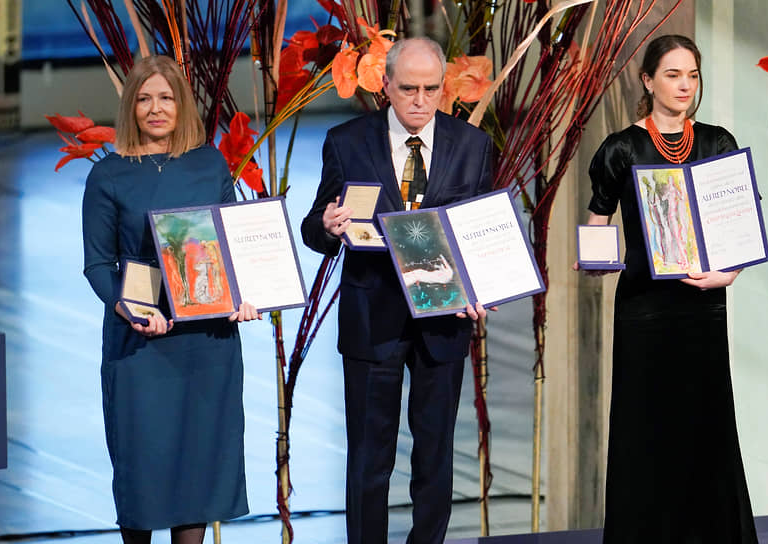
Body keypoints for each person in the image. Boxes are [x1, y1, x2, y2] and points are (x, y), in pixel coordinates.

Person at [301, 37, 493, 544]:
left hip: (444, 319)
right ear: (385, 85)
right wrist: (327, 225)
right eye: (408, 88)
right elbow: (315, 227)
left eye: (431, 89)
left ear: (444, 88)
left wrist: (485, 286)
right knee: (369, 457)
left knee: (435, 456)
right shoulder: (346, 142)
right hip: (373, 316)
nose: (420, 101)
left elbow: (483, 232)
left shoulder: (472, 146)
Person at [580, 35, 759, 542]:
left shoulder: (717, 142)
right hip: (644, 309)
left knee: (706, 425)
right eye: (673, 74)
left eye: (692, 75)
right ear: (648, 80)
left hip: (703, 306)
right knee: (644, 428)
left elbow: (741, 224)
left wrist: (729, 274)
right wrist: (595, 258)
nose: (685, 85)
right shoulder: (621, 147)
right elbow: (597, 221)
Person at [82, 55, 260, 544]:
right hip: (141, 343)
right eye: (144, 99)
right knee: (141, 466)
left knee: (197, 467)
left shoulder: (210, 163)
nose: (156, 109)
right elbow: (98, 263)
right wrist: (127, 308)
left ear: (182, 104)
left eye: (166, 98)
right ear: (130, 107)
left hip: (207, 341)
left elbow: (231, 245)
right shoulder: (109, 174)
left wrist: (246, 294)